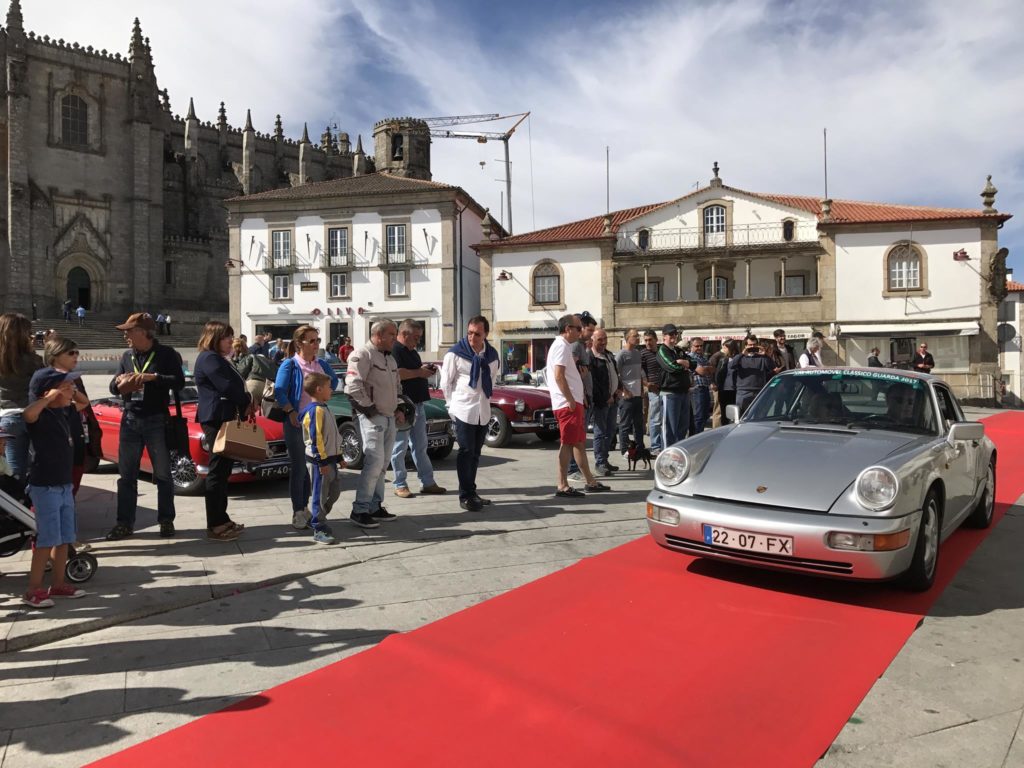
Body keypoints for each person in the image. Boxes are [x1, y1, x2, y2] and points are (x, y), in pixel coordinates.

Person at [105, 313, 185, 541]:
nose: (125, 335)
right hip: (130, 420)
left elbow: (178, 382)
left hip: (156, 421)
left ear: (143, 332)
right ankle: (124, 524)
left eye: (129, 331)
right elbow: (113, 386)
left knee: (162, 474)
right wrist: (121, 384)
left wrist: (153, 378)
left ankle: (166, 520)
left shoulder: (166, 354)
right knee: (126, 476)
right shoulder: (127, 356)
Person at [20, 369, 91, 607]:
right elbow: (28, 414)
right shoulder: (42, 414)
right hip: (45, 486)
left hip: (63, 485)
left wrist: (71, 390)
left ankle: (59, 584)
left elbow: (85, 402)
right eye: (67, 385)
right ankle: (33, 589)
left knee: (65, 538)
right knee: (47, 539)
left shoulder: (66, 412)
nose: (73, 389)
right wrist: (50, 397)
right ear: (50, 390)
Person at [274, 325, 339, 530]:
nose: (316, 344)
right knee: (300, 468)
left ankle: (311, 508)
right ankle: (298, 510)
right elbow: (280, 391)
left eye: (317, 340)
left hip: (318, 423)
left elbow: (334, 381)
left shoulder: (322, 364)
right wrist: (291, 411)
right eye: (311, 341)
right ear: (299, 343)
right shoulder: (290, 365)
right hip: (296, 423)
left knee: (314, 468)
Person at [194, 321, 252, 541]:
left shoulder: (217, 358)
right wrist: (246, 399)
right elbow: (226, 386)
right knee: (217, 472)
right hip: (216, 418)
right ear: (215, 338)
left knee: (224, 470)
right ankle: (215, 524)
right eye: (227, 337)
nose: (231, 341)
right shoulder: (209, 358)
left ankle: (222, 517)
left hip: (224, 416)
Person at [345, 320, 403, 527]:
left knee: (383, 464)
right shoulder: (363, 355)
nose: (395, 339)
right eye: (391, 335)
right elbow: (352, 386)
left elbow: (397, 387)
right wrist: (370, 410)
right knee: (374, 463)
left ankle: (374, 506)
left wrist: (399, 409)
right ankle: (359, 509)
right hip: (373, 417)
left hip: (389, 417)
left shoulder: (390, 359)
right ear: (378, 335)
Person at [440, 316, 500, 511]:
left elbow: (491, 380)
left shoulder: (491, 355)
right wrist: (451, 407)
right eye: (470, 333)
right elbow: (446, 383)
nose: (472, 337)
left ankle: (472, 492)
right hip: (463, 409)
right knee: (465, 452)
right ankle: (465, 496)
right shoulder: (455, 354)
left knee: (475, 454)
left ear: (486, 335)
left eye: (477, 334)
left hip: (482, 410)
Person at [547, 314, 609, 497]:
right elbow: (559, 375)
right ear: (568, 329)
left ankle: (590, 481)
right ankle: (562, 484)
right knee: (567, 443)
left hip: (571, 403)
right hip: (568, 404)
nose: (581, 331)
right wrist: (571, 399)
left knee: (579, 443)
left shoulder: (564, 346)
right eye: (578, 328)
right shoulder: (561, 346)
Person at [391, 320, 446, 499]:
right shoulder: (395, 350)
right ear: (405, 334)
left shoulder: (411, 351)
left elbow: (413, 371)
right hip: (403, 406)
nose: (417, 341)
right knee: (400, 446)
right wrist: (419, 372)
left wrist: (423, 371)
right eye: (415, 337)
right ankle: (400, 484)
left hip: (418, 404)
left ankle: (427, 482)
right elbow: (397, 373)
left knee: (420, 446)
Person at [301, 372, 346, 545]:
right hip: (321, 462)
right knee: (320, 495)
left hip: (331, 460)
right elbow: (316, 439)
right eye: (328, 387)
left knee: (335, 492)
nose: (332, 389)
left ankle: (317, 516)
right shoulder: (315, 411)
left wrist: (339, 456)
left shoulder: (325, 408)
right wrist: (321, 461)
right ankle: (318, 527)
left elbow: (333, 436)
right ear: (319, 390)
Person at [0, 313, 45, 480]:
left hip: (9, 417)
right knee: (39, 467)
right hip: (34, 415)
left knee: (14, 470)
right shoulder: (33, 360)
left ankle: (17, 503)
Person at [566, 311, 598, 481]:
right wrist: (582, 394)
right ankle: (573, 469)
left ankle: (578, 468)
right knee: (575, 437)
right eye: (590, 330)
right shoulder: (576, 346)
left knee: (580, 436)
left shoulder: (583, 347)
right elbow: (574, 371)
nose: (591, 333)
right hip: (581, 397)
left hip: (586, 396)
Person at [588, 328, 620, 476]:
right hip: (602, 401)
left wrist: (618, 389)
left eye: (605, 339)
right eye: (600, 339)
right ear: (593, 340)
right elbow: (594, 382)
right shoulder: (591, 357)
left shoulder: (608, 355)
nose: (603, 342)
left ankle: (605, 460)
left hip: (613, 399)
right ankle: (599, 462)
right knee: (600, 433)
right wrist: (606, 396)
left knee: (611, 431)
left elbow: (614, 374)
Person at [656, 324, 692, 446]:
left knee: (683, 427)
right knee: (669, 428)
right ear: (664, 336)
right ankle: (667, 456)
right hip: (670, 393)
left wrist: (683, 362)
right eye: (671, 334)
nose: (674, 336)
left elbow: (693, 363)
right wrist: (684, 366)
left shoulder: (678, 350)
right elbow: (672, 367)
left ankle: (678, 454)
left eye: (675, 334)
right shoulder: (662, 350)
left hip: (683, 392)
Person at [616, 329, 645, 458]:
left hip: (638, 394)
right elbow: (616, 374)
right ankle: (624, 450)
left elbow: (639, 373)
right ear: (627, 338)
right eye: (635, 336)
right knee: (625, 424)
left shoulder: (638, 353)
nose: (638, 338)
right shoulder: (621, 355)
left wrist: (642, 389)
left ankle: (639, 448)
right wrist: (624, 390)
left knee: (639, 424)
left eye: (638, 336)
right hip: (626, 396)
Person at [729, 334, 775, 415]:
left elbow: (772, 367)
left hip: (759, 390)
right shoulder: (740, 357)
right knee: (742, 415)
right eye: (750, 345)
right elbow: (731, 366)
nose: (752, 347)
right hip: (743, 391)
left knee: (760, 415)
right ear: (745, 346)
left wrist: (766, 355)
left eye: (754, 345)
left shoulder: (761, 357)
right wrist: (742, 354)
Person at [640, 330, 663, 452]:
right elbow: (639, 372)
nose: (648, 342)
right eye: (646, 340)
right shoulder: (643, 354)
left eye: (650, 340)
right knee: (655, 418)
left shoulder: (662, 351)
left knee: (665, 418)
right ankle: (655, 446)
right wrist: (646, 384)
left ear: (656, 340)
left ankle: (664, 444)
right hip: (653, 390)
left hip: (665, 388)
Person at [686, 337, 713, 434]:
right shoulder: (689, 357)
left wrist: (705, 369)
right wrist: (705, 369)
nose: (699, 348)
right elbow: (701, 371)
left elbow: (710, 370)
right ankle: (694, 438)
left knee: (705, 415)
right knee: (698, 416)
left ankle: (698, 435)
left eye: (701, 346)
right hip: (696, 389)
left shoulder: (703, 357)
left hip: (705, 387)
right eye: (696, 346)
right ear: (691, 347)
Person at [716, 340, 740, 425]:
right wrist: (718, 385)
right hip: (724, 390)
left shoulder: (739, 359)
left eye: (725, 347)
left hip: (735, 390)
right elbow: (718, 374)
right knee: (724, 414)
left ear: (731, 348)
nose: (723, 349)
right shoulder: (723, 360)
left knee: (736, 414)